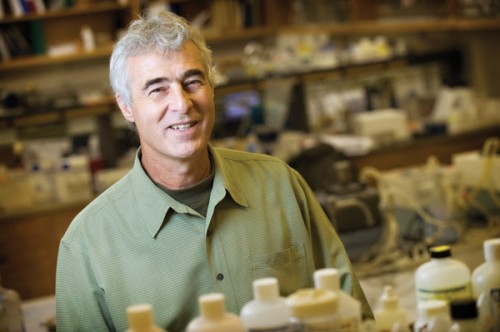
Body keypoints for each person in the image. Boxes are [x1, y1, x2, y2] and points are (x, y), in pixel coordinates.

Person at [55, 10, 373, 332]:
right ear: (126, 106)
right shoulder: (86, 245)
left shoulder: (281, 185)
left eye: (192, 81)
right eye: (157, 89)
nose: (181, 103)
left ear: (212, 87)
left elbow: (354, 316)